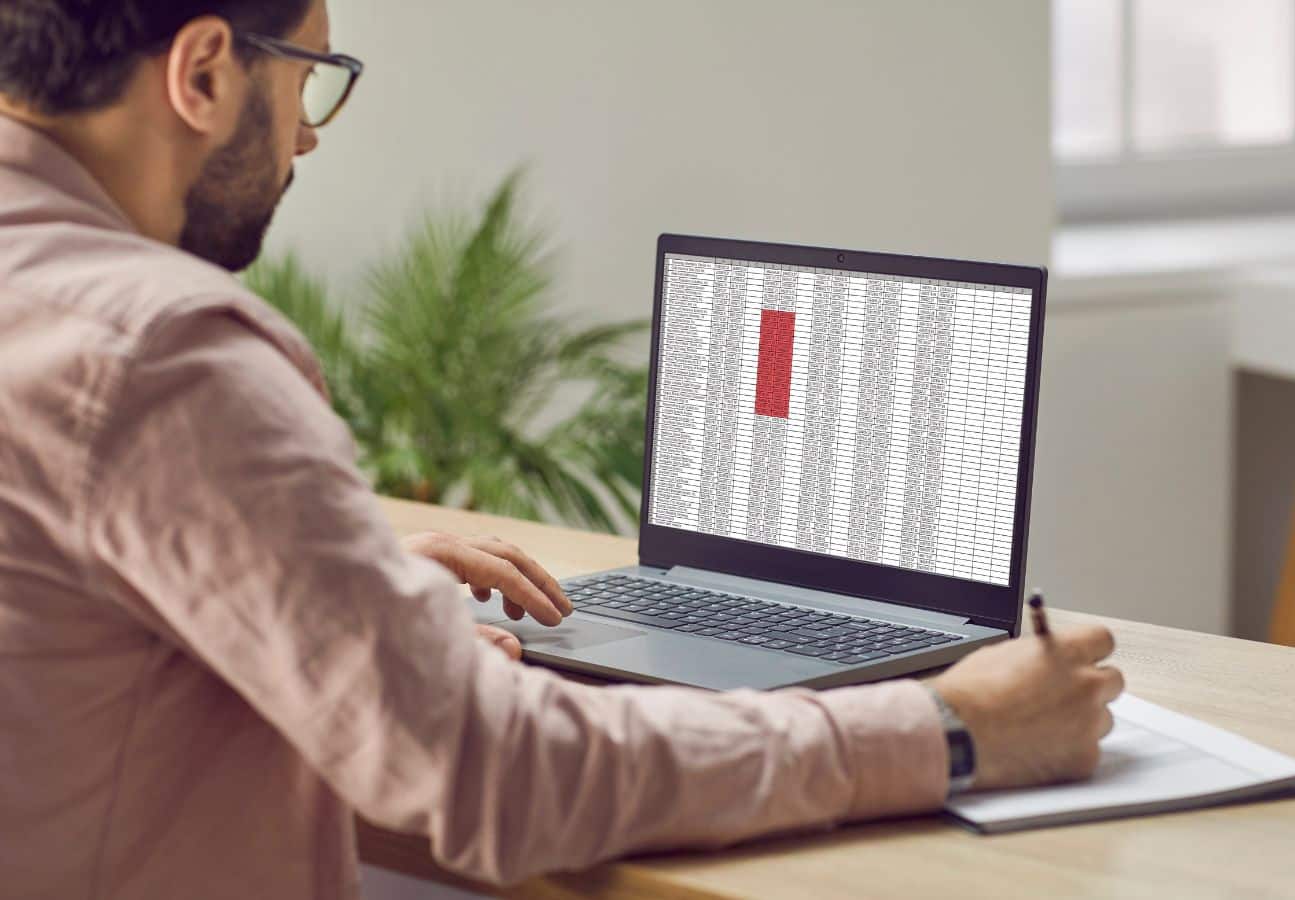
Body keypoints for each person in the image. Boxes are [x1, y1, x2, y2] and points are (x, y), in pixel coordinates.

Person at [0, 1, 1124, 897]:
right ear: (202, 74)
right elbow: (496, 778)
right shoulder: (164, 355)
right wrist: (949, 729)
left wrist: (341, 596)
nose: (304, 134)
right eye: (308, 78)